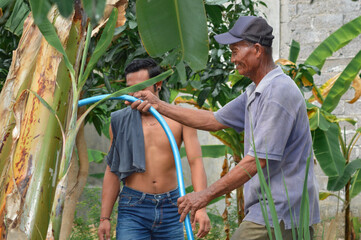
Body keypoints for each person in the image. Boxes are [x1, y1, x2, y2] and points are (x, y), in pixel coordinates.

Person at [128, 16, 320, 239]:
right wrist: (159, 105)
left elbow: (256, 160)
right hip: (269, 209)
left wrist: (204, 196)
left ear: (257, 50)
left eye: (236, 51)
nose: (232, 59)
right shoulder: (255, 92)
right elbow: (213, 120)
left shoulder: (277, 92)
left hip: (283, 211)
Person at [98, 58, 211, 240]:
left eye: (141, 88)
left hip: (173, 207)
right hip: (133, 207)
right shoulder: (119, 121)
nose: (135, 94)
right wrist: (105, 217)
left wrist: (201, 208)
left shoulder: (180, 119)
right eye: (130, 89)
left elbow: (196, 162)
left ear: (158, 84)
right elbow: (112, 169)